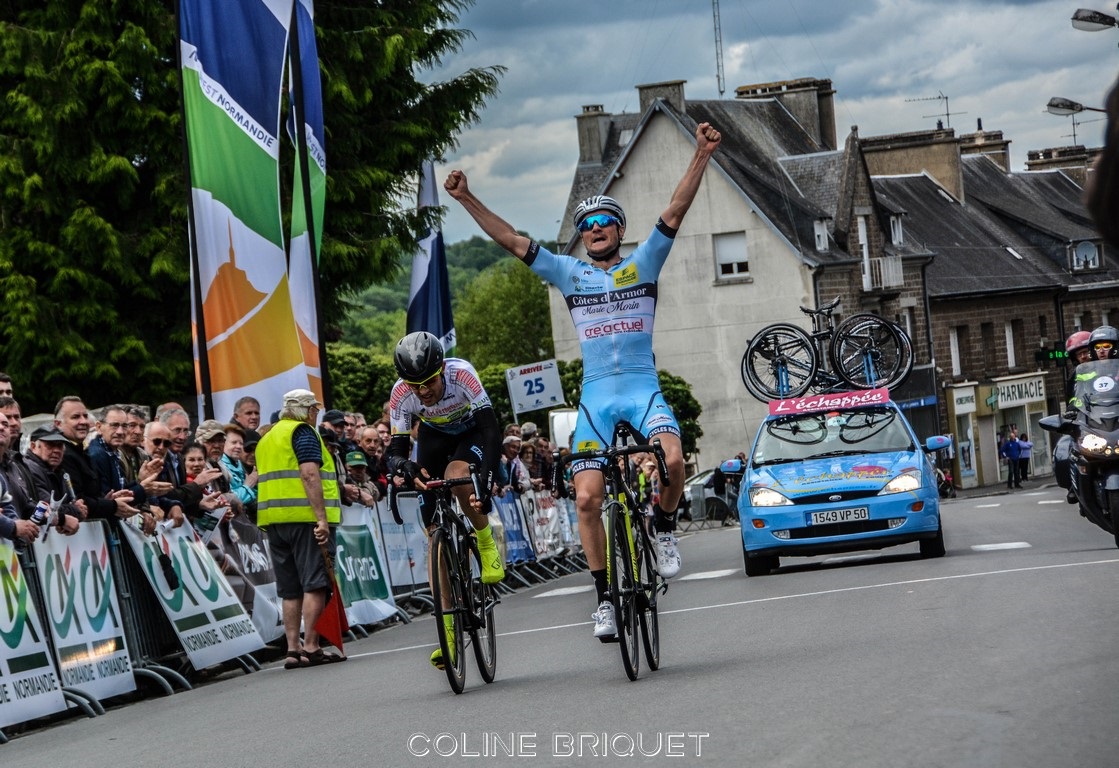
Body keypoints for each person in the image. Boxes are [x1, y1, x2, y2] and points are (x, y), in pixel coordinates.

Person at [446, 121, 723, 639]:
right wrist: (467, 198)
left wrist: (702, 153)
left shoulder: (645, 263)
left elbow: (677, 210)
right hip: (597, 397)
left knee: (676, 462)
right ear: (582, 235)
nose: (595, 228)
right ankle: (603, 600)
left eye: (604, 221)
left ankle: (662, 529)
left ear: (619, 229)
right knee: (588, 498)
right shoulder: (569, 273)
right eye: (587, 224)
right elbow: (510, 240)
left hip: (641, 390)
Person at [384, 331, 503, 670]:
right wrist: (404, 466)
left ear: (441, 370)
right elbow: (395, 451)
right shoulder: (400, 395)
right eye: (414, 385)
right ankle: (448, 635)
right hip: (434, 434)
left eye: (429, 382)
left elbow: (491, 431)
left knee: (455, 475)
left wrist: (488, 476)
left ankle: (484, 541)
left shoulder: (462, 374)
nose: (423, 391)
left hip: (472, 431)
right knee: (433, 528)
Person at [256, 388, 346, 668]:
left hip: (275, 521)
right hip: (304, 519)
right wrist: (321, 518)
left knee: (290, 588)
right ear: (307, 410)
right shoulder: (303, 432)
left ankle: (293, 649)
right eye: (315, 410)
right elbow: (309, 473)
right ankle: (311, 646)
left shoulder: (268, 437)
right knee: (315, 583)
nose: (316, 415)